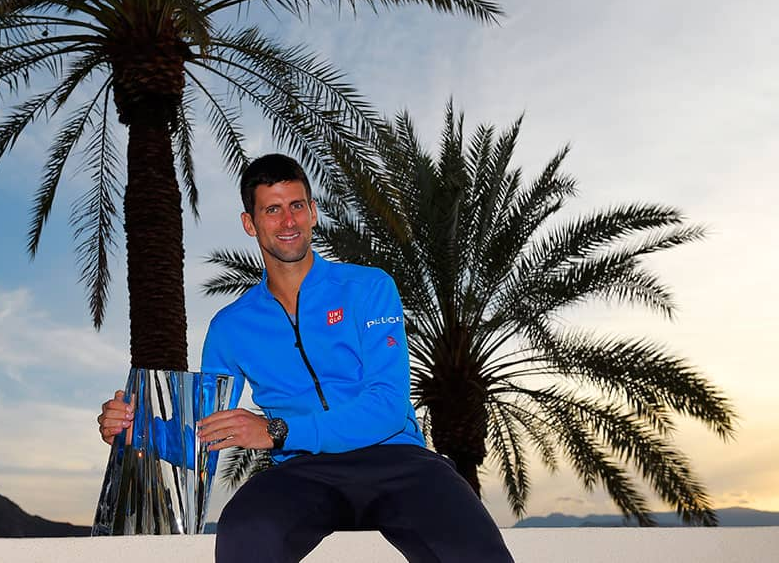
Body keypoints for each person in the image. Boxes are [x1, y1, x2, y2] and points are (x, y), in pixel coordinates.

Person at [99, 154, 514, 563]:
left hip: (396, 459)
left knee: (471, 548)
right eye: (273, 210)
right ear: (250, 223)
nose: (289, 221)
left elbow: (388, 406)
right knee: (246, 530)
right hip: (302, 472)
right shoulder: (231, 327)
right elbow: (205, 433)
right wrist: (137, 431)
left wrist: (277, 431)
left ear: (313, 212)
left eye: (297, 206)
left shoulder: (367, 287)